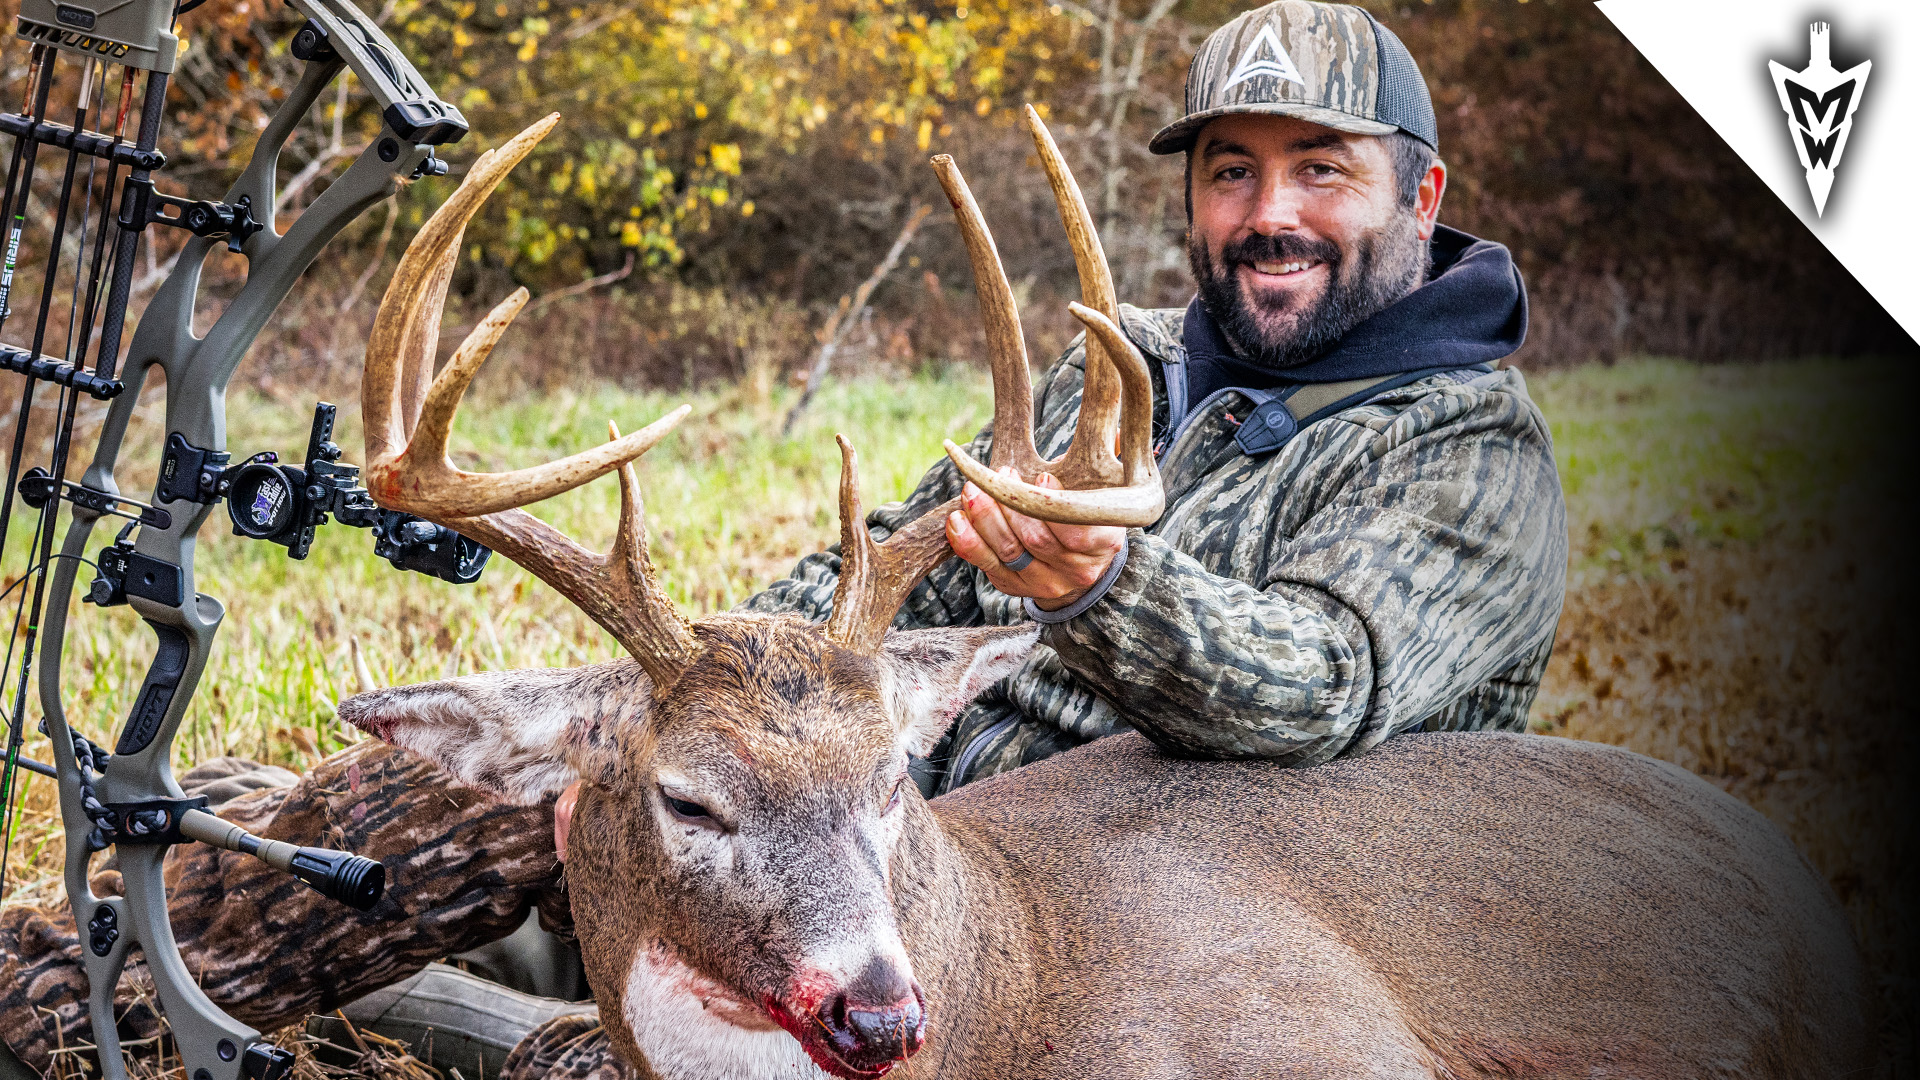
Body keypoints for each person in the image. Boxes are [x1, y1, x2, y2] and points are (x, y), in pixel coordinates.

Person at [0, 1, 1566, 1076]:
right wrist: (699, 693)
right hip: (860, 818)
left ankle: (494, 1011)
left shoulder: (1468, 453)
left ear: (1419, 194)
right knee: (482, 795)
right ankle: (83, 985)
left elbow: (1321, 692)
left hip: (1117, 919)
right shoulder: (1125, 369)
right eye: (1235, 172)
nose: (1268, 211)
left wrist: (1108, 586)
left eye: (1320, 171)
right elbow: (875, 581)